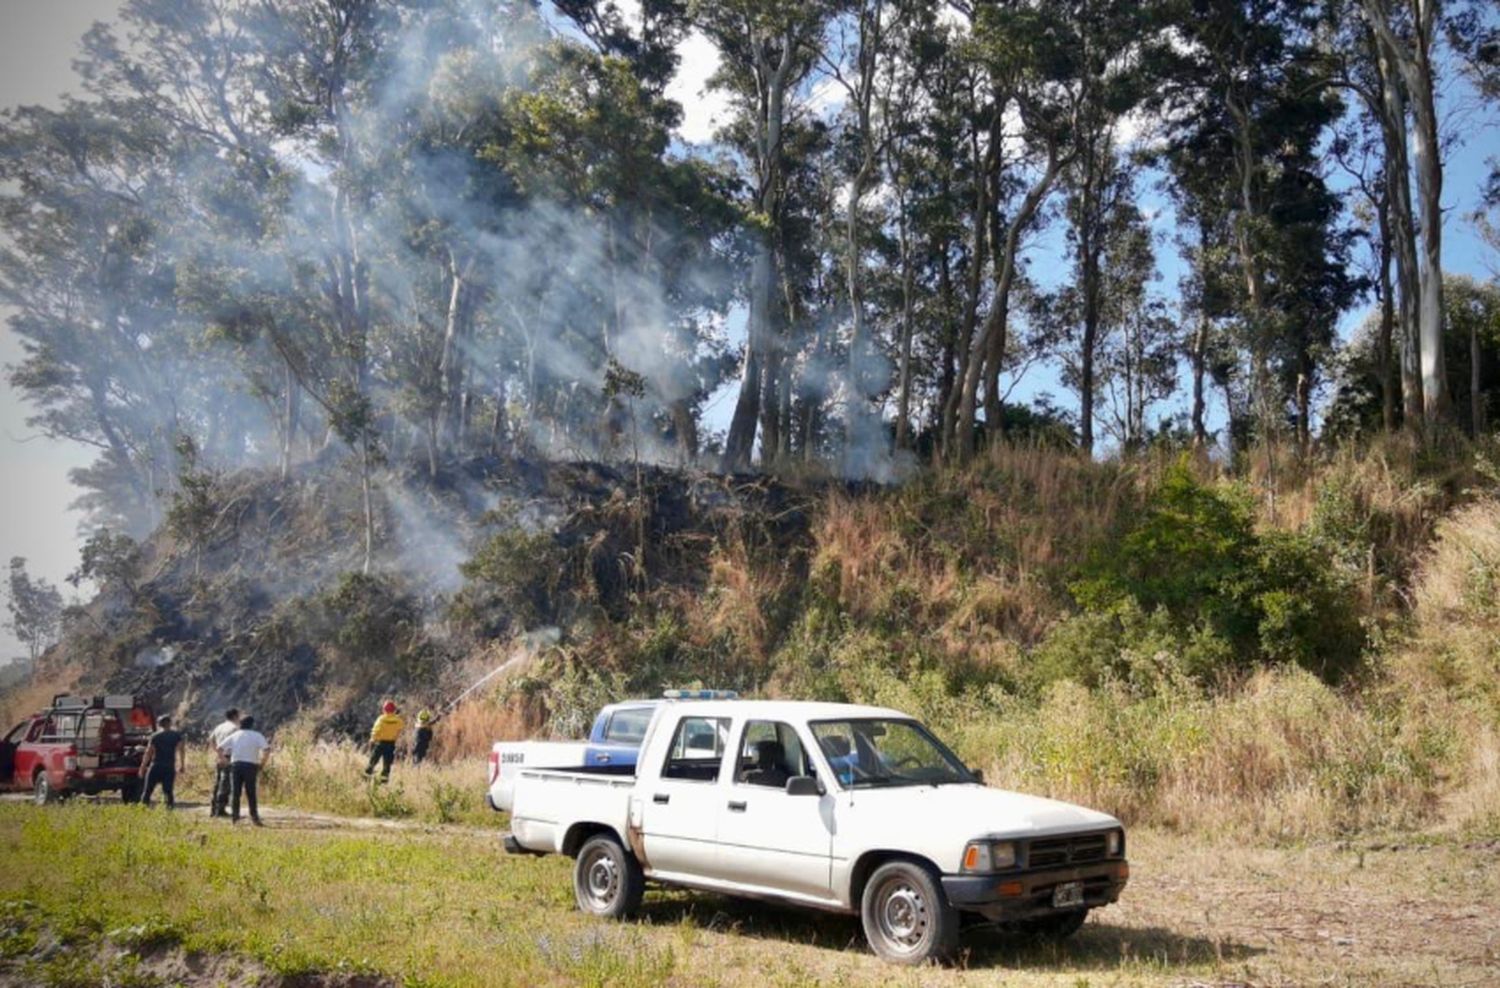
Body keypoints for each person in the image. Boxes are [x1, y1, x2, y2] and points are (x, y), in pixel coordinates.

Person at [218, 714, 270, 826]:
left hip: (236, 765)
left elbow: (219, 748)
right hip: (251, 766)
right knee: (251, 792)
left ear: (240, 724)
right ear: (252, 724)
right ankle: (254, 817)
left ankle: (235, 818)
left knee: (235, 792)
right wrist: (262, 763)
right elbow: (266, 750)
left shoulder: (235, 735)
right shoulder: (257, 735)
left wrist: (225, 761)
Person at [140, 715, 186, 808]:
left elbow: (148, 752)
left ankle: (143, 808)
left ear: (159, 724)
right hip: (169, 766)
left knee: (148, 790)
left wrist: (143, 767)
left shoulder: (155, 736)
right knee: (168, 791)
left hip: (156, 766)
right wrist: (182, 765)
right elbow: (181, 750)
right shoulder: (176, 736)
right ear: (170, 723)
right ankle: (169, 811)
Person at [207, 708, 240, 818]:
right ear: (235, 716)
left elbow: (210, 740)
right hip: (229, 757)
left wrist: (217, 753)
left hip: (220, 757)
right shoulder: (235, 728)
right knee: (226, 784)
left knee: (218, 783)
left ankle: (213, 809)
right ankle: (220, 810)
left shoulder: (219, 727)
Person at [364, 701, 403, 781]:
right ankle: (384, 781)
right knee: (387, 764)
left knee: (373, 761)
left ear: (384, 710)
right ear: (394, 710)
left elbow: (375, 730)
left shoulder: (381, 719)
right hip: (391, 744)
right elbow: (400, 728)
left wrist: (372, 740)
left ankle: (366, 777)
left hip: (380, 743)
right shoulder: (398, 720)